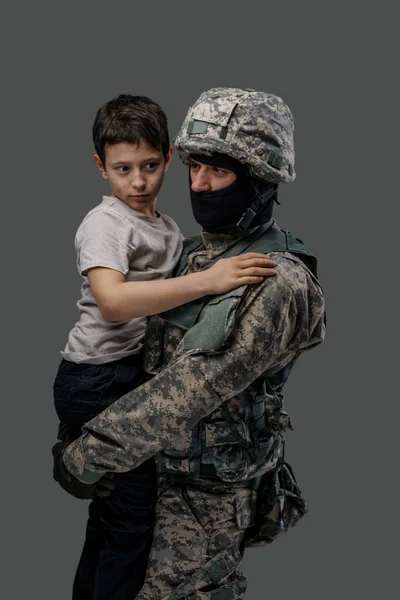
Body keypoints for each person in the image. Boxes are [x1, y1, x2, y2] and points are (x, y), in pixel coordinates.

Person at [53, 87, 326, 599]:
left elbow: (193, 384)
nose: (198, 186)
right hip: (145, 475)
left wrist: (88, 452)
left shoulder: (275, 279)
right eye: (194, 168)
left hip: (202, 508)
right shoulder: (196, 255)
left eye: (217, 172)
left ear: (259, 179)